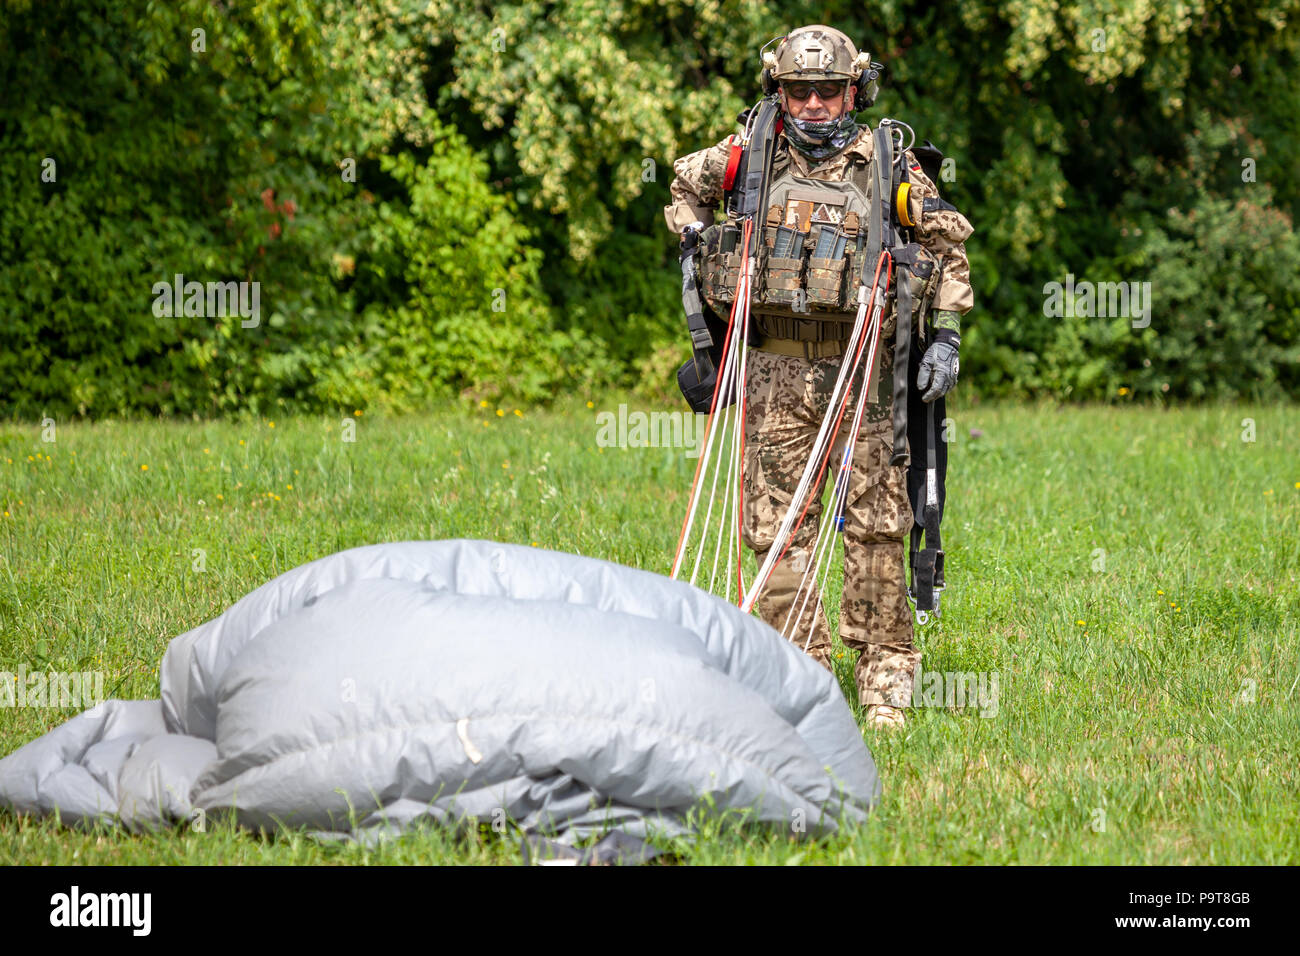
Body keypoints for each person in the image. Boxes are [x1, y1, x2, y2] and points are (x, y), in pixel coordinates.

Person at [663, 25, 973, 729]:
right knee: (775, 531)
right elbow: (685, 190)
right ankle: (797, 677)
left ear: (853, 90)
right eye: (797, 91)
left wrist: (945, 340)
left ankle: (886, 680)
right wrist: (699, 243)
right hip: (773, 372)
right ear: (777, 89)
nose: (811, 105)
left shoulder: (887, 162)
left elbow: (949, 245)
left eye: (827, 91)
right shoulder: (748, 155)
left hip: (866, 374)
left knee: (877, 524)